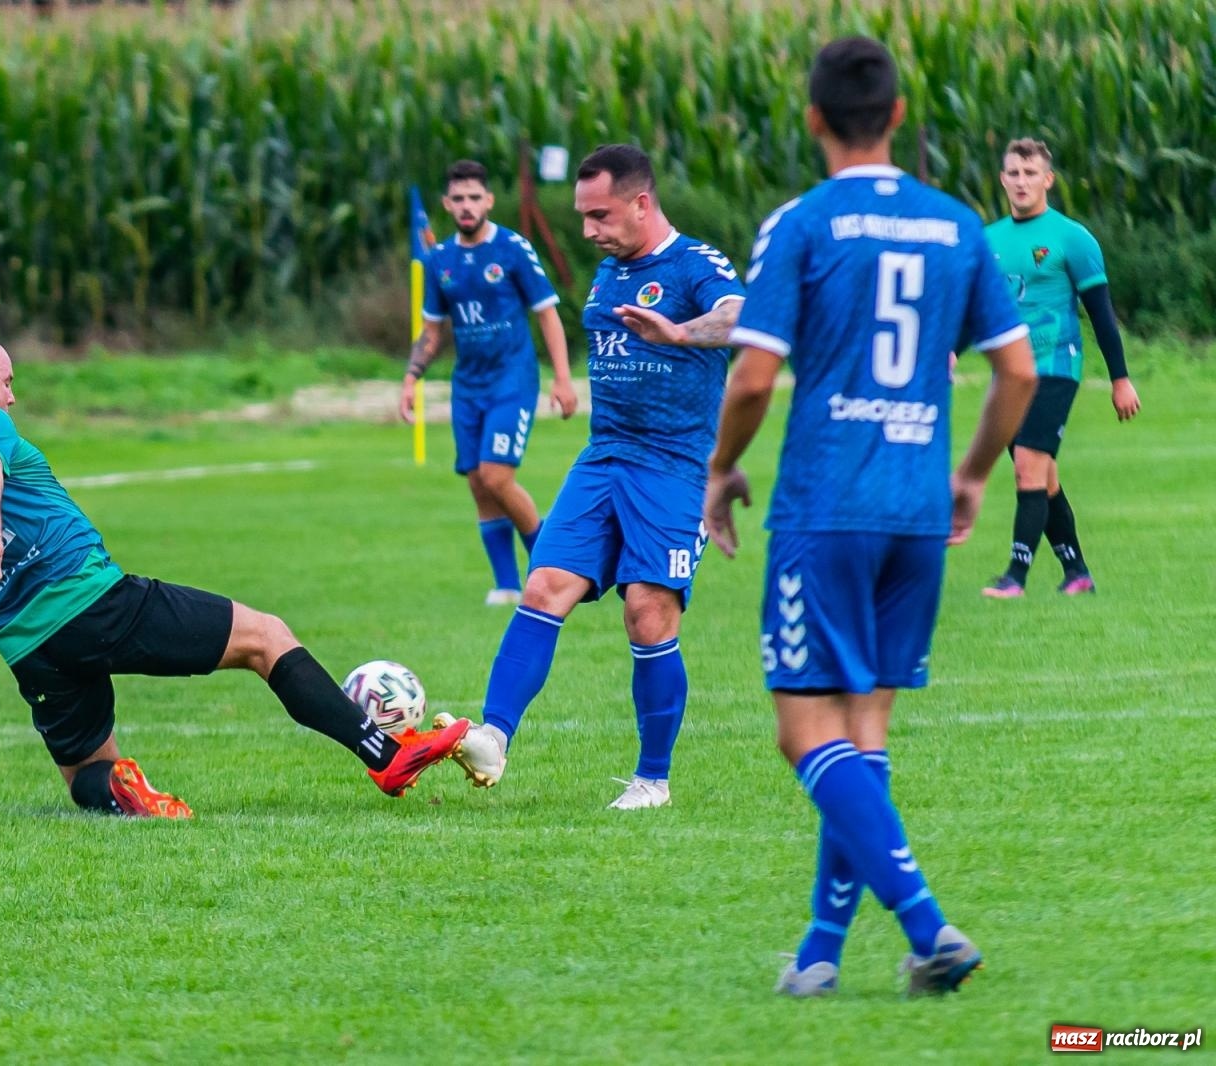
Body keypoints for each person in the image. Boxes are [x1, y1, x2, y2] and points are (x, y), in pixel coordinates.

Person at [0, 335, 470, 817]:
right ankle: (387, 754)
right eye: (9, 383)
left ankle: (119, 791)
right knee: (264, 637)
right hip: (91, 602)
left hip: (26, 646)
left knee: (84, 771)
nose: (14, 397)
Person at [703, 38, 1037, 995]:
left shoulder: (802, 225)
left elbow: (755, 374)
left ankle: (930, 926)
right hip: (916, 508)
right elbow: (1016, 370)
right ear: (897, 117)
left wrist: (720, 469)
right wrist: (974, 475)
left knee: (804, 733)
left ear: (814, 120)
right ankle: (819, 953)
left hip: (826, 506)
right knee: (864, 732)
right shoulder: (957, 226)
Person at [435, 144, 746, 810]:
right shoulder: (609, 274)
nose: (587, 231)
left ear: (641, 202)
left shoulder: (695, 264)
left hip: (674, 465)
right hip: (604, 456)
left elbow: (739, 317)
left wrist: (681, 334)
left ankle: (652, 780)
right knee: (544, 584)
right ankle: (493, 736)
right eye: (581, 216)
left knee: (647, 612)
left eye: (599, 214)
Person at [402, 160, 579, 606]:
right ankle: (506, 585)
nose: (466, 206)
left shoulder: (513, 249)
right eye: (458, 199)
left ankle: (549, 572)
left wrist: (561, 377)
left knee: (497, 477)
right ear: (447, 204)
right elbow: (432, 331)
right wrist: (409, 379)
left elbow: (547, 313)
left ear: (489, 201)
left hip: (512, 381)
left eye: (474, 197)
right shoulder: (439, 260)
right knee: (479, 485)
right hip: (468, 387)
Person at [981, 137, 1142, 598]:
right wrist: (951, 348)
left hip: (1055, 366)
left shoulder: (1072, 238)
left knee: (1027, 469)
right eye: (1014, 173)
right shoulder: (989, 240)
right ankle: (1078, 572)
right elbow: (979, 308)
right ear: (1003, 179)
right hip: (1009, 375)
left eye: (1031, 173)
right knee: (1043, 477)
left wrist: (1120, 379)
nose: (1021, 181)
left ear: (1047, 180)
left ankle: (1015, 575)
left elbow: (1102, 315)